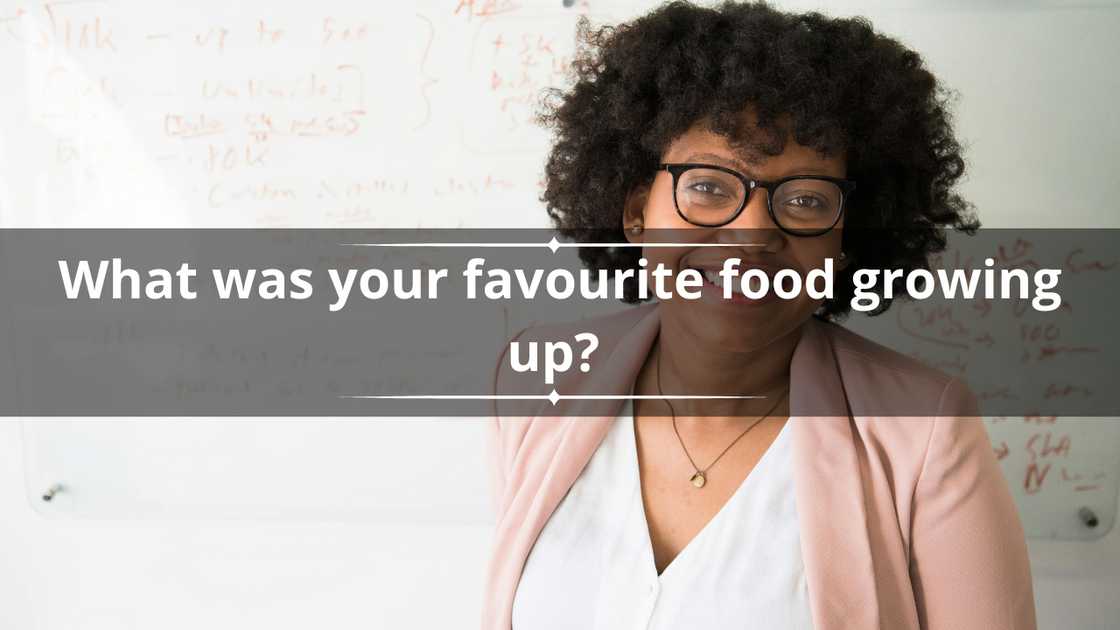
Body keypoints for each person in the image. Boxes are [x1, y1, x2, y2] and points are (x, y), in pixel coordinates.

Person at [482, 2, 1036, 629]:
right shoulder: (538, 381)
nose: (751, 235)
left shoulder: (923, 431)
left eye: (804, 199)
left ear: (847, 237)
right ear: (637, 211)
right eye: (710, 187)